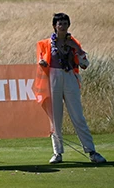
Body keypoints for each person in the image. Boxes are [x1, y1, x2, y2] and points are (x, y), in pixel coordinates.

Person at [36, 13, 106, 164]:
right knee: (55, 118)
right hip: (53, 77)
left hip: (69, 77)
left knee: (78, 116)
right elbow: (41, 60)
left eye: (65, 23)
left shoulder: (73, 42)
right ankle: (57, 152)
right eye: (60, 23)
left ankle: (91, 151)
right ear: (54, 25)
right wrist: (41, 63)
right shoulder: (45, 43)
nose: (62, 26)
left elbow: (85, 64)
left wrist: (77, 50)